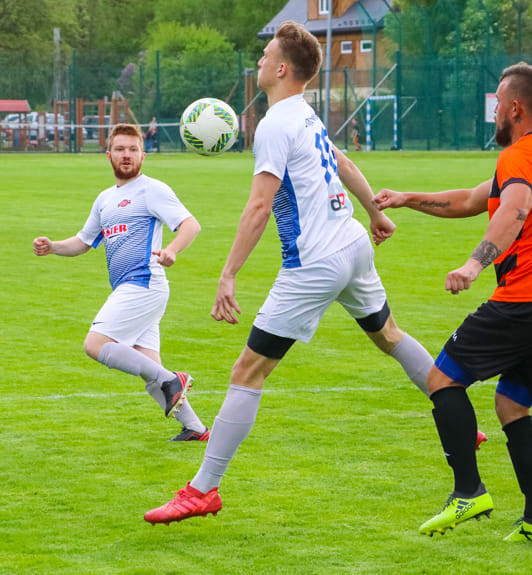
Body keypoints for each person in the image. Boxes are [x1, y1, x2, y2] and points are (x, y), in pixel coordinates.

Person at [143, 21, 486, 526]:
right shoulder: (302, 113)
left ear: (282, 68)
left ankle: (202, 491)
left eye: (264, 55)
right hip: (350, 242)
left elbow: (260, 206)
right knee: (388, 335)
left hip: (315, 262)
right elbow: (341, 160)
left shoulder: (276, 123)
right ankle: (454, 409)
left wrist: (228, 274)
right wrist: (374, 210)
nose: (259, 61)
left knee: (248, 372)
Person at [374, 62, 532, 543]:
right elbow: (474, 199)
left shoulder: (519, 155)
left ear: (515, 108)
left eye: (496, 102)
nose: (493, 110)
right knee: (512, 404)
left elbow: (513, 210)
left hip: (528, 300)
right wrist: (409, 198)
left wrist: (474, 265)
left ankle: (468, 490)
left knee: (442, 378)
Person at [32, 123, 207, 442]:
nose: (126, 155)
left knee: (95, 344)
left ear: (144, 154)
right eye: (120, 149)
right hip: (134, 289)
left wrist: (171, 250)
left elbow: (190, 225)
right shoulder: (104, 200)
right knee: (147, 366)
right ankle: (196, 428)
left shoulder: (151, 189)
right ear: (108, 154)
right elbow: (84, 242)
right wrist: (53, 246)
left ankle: (173, 379)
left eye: (133, 149)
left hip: (143, 284)